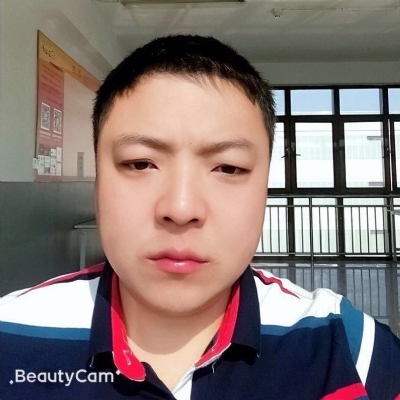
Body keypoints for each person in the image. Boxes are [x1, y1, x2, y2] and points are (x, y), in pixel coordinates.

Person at [1, 35, 399, 400]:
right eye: (140, 163)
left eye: (228, 168)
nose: (181, 209)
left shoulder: (345, 350)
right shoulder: (11, 334)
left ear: (264, 185)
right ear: (98, 178)